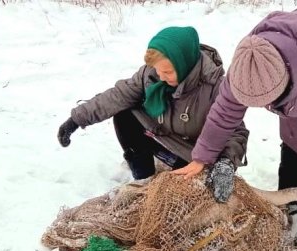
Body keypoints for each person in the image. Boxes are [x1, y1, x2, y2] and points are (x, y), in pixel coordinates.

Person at [172, 6, 297, 249]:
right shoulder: (248, 64)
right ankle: (288, 197)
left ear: (286, 83)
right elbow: (224, 112)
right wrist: (202, 157)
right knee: (294, 128)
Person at [57, 26, 249, 199]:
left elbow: (235, 131)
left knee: (188, 195)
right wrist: (76, 119)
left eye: (168, 72)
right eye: (158, 71)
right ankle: (143, 178)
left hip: (194, 155)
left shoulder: (215, 87)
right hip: (161, 136)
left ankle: (180, 170)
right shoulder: (151, 74)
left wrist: (226, 163)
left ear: (184, 64)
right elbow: (118, 96)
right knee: (125, 114)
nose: (161, 77)